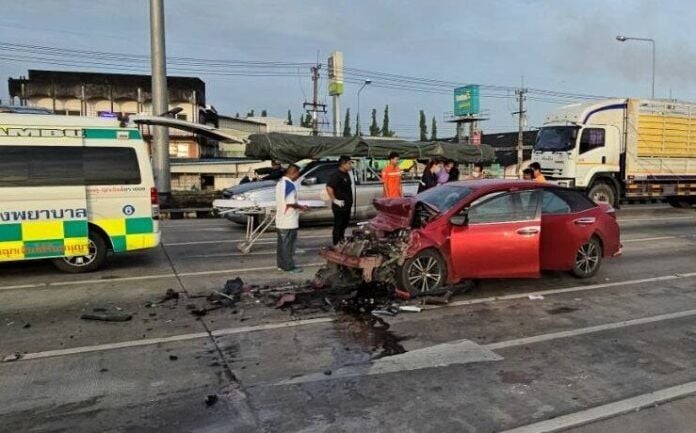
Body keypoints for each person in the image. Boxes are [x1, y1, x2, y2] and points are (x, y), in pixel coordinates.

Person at [275, 164, 307, 273]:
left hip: (281, 218)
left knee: (282, 245)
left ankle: (281, 265)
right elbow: (290, 203)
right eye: (298, 173)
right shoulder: (290, 185)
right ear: (294, 172)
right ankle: (288, 266)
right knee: (288, 245)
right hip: (289, 220)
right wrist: (301, 207)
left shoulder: (280, 183)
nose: (299, 176)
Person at [326, 155, 354, 245]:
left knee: (344, 225)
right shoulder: (336, 175)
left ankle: (341, 242)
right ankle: (336, 244)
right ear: (343, 164)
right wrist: (335, 200)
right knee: (338, 225)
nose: (350, 165)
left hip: (346, 205)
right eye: (349, 164)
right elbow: (329, 187)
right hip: (339, 206)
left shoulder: (346, 174)